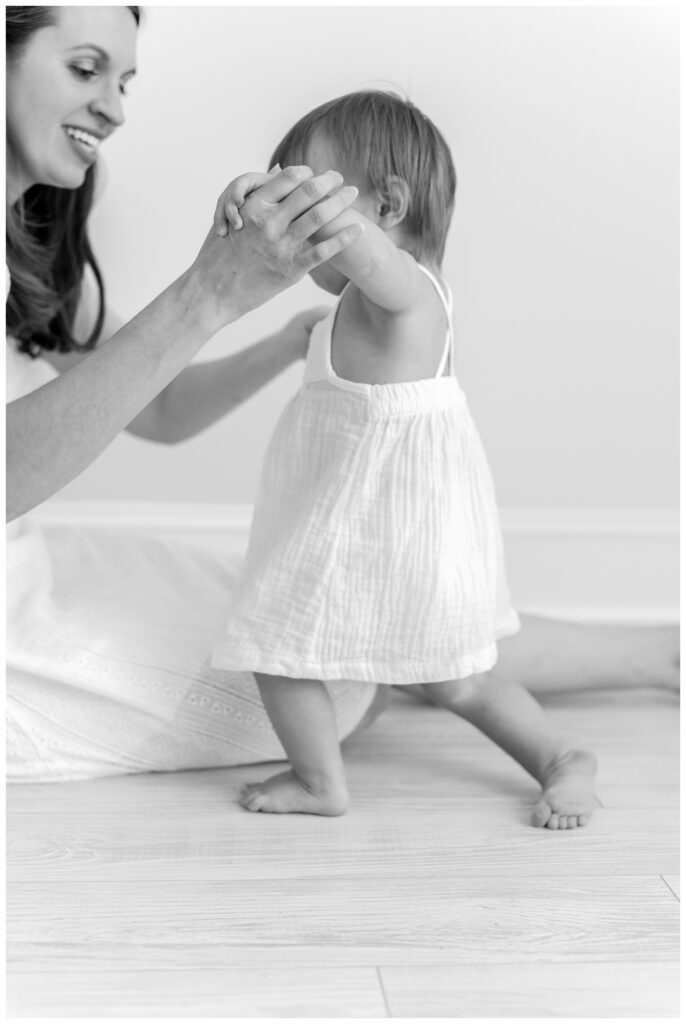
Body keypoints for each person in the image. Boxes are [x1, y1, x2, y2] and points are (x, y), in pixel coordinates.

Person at [6, 9, 678, 787]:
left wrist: (281, 336)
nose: (116, 109)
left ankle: (652, 659)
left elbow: (153, 407)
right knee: (329, 641)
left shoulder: (38, 251)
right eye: (87, 70)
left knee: (358, 630)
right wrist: (212, 291)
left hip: (64, 556)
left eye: (124, 82)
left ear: (387, 205)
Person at [210, 92, 601, 828]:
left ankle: (560, 758)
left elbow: (369, 257)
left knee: (450, 680)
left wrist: (276, 199)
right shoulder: (341, 313)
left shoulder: (405, 293)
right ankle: (321, 780)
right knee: (283, 649)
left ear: (386, 204)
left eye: (304, 195)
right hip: (348, 522)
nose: (287, 217)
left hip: (407, 528)